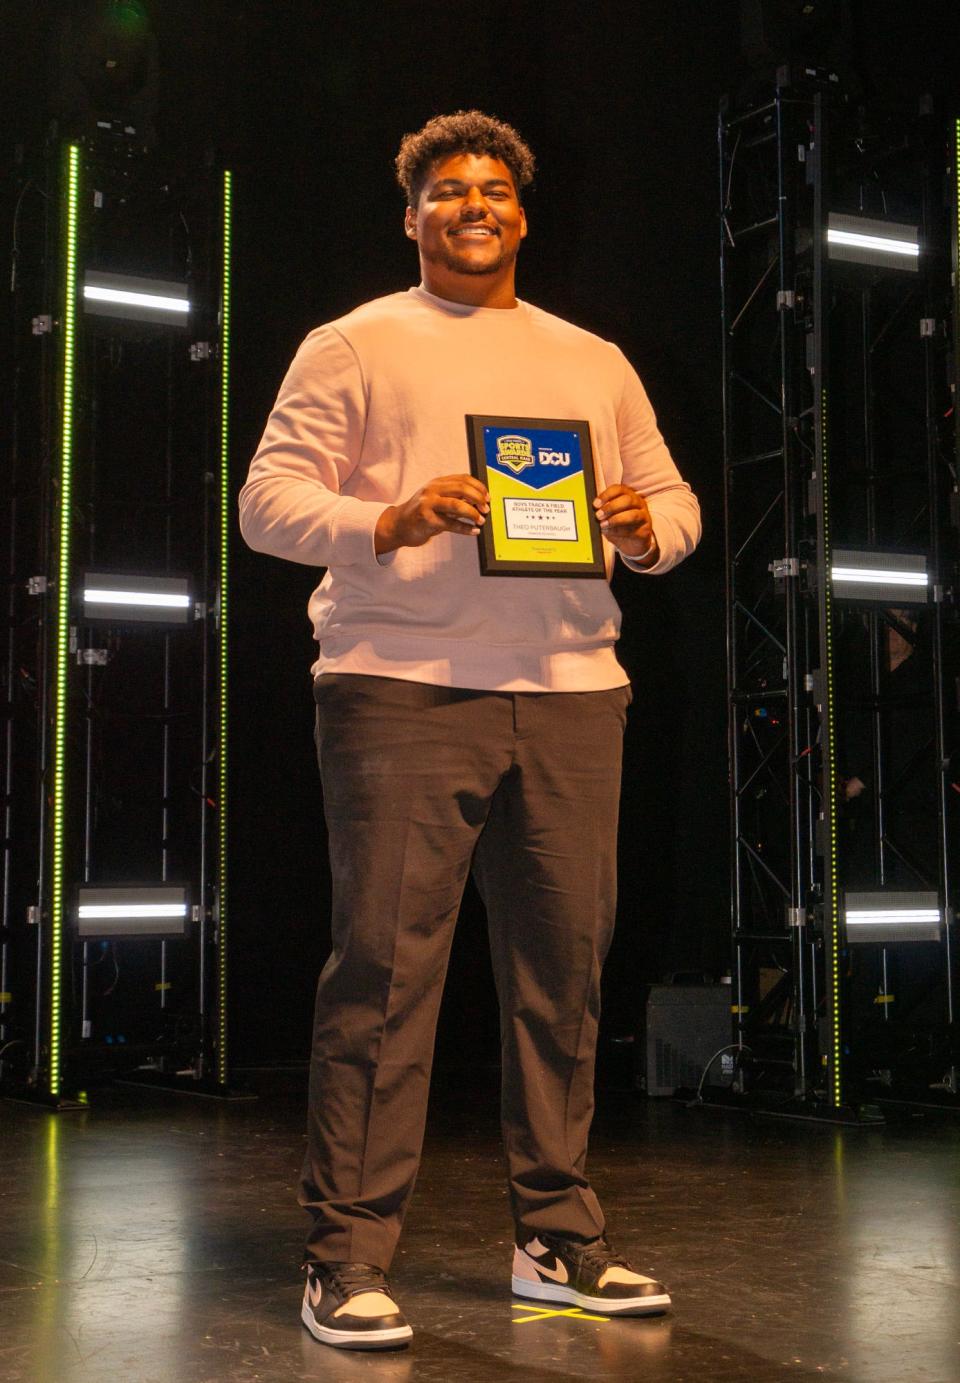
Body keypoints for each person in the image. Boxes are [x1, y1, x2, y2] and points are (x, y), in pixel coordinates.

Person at [239, 109, 701, 1352]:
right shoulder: (356, 342)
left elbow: (674, 503)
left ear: (523, 214)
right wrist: (389, 519)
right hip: (399, 683)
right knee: (386, 976)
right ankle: (345, 1257)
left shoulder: (591, 358)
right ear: (412, 216)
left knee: (565, 977)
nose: (472, 205)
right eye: (447, 191)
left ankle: (555, 1239)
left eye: (493, 188)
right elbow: (267, 504)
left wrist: (642, 528)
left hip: (570, 691)